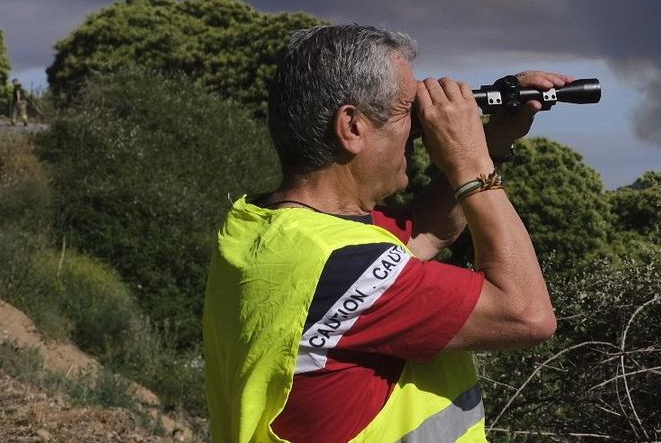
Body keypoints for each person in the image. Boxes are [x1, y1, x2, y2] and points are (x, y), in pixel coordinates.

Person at [203, 24, 567, 443]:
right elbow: (527, 315)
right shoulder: (339, 264)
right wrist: (470, 162)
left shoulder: (270, 228)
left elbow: (427, 233)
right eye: (405, 112)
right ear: (352, 127)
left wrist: (495, 136)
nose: (418, 129)